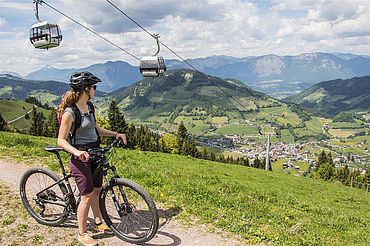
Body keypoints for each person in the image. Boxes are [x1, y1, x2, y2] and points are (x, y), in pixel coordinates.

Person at [57, 71, 127, 246]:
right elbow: (61, 140)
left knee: (96, 190)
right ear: (86, 89)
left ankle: (98, 222)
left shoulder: (90, 107)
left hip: (95, 153)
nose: (96, 90)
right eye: (94, 87)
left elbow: (96, 129)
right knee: (86, 196)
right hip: (80, 158)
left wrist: (115, 134)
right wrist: (76, 152)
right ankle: (82, 233)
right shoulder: (70, 112)